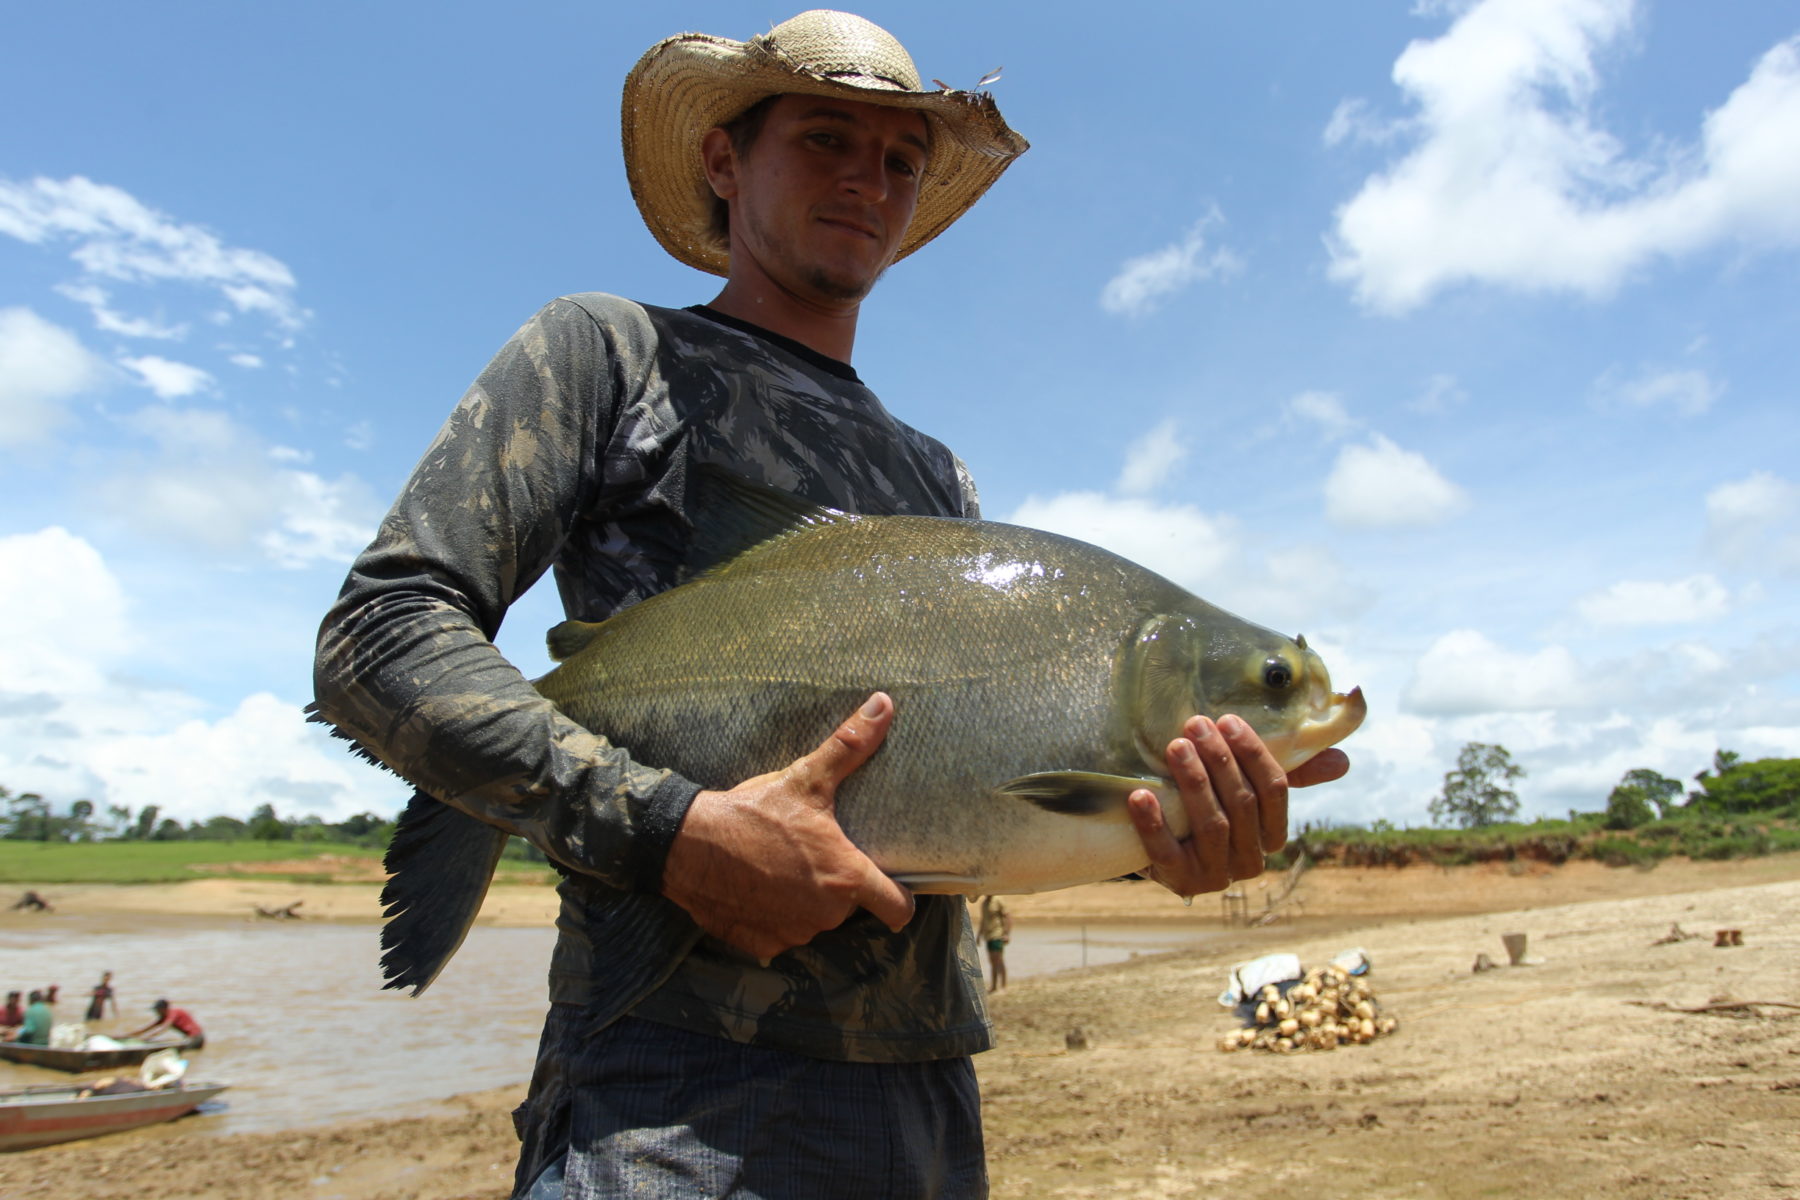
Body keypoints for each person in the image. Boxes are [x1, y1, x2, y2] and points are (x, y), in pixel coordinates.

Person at [312, 11, 1347, 1197]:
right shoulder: (609, 354)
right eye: (824, 138)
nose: (870, 178)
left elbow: (955, 798)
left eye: (902, 158)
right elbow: (380, 631)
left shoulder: (935, 479)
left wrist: (1150, 846)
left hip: (921, 1102)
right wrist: (678, 833)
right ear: (722, 160)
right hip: (665, 1095)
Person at [122, 999, 204, 1050]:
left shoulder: (173, 1013)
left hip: (196, 1039)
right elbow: (146, 1029)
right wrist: (124, 1036)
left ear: (163, 1009)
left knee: (179, 1053)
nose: (156, 1012)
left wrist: (146, 1039)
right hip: (189, 1039)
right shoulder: (164, 1017)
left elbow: (164, 1028)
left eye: (157, 1010)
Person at [977, 896, 1012, 994]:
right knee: (992, 961)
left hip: (998, 934)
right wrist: (979, 935)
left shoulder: (998, 900)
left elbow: (1008, 917)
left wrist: (1006, 934)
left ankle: (1004, 986)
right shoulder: (984, 903)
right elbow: (983, 920)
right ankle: (994, 986)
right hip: (988, 936)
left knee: (999, 959)